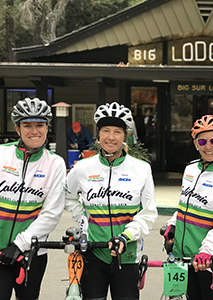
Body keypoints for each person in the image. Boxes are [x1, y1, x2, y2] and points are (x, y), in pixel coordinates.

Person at [65, 102, 157, 300]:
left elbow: (148, 213)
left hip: (128, 255)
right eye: (106, 130)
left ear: (125, 136)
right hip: (93, 254)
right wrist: (82, 217)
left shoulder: (141, 169)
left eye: (117, 131)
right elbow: (66, 195)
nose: (111, 137)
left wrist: (126, 235)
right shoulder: (83, 168)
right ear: (98, 134)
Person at [0, 97, 66, 300]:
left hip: (32, 253)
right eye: (27, 125)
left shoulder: (55, 163)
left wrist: (18, 245)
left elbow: (51, 213)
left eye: (39, 125)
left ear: (47, 128)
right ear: (17, 128)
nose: (34, 131)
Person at [163, 115, 213, 300]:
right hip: (181, 257)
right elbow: (185, 205)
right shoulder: (190, 169)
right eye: (203, 141)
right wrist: (172, 224)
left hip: (209, 259)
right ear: (195, 144)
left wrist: (207, 251)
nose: (209, 146)